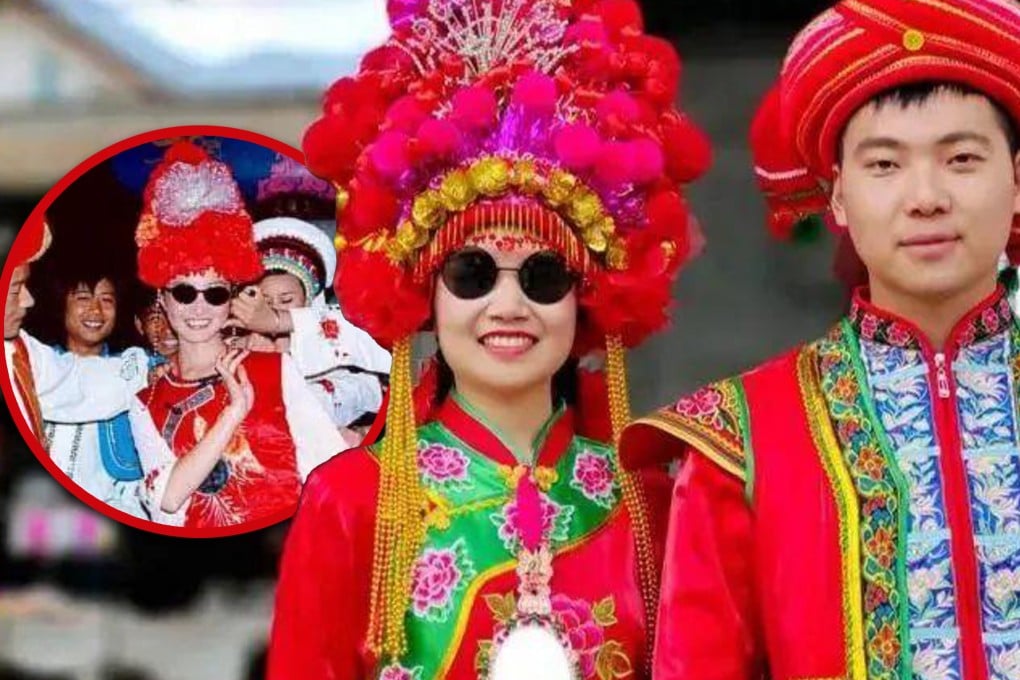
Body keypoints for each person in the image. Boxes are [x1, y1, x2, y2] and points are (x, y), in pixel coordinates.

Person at [267, 0, 712, 677]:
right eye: (472, 273)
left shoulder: (653, 501)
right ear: (425, 292)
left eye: (543, 275)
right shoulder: (352, 500)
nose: (508, 305)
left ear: (585, 296)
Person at [620, 1, 1020, 678]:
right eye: (885, 165)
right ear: (837, 199)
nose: (925, 196)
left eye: (960, 158)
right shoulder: (738, 441)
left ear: (1016, 181)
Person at [126, 140, 345, 529]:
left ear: (230, 300)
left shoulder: (275, 369)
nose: (197, 309)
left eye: (213, 293)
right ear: (163, 297)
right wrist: (234, 412)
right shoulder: (146, 401)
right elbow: (168, 501)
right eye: (183, 292)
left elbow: (331, 471)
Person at [232, 215, 390, 433]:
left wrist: (278, 324)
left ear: (308, 301)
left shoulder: (349, 364)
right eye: (266, 302)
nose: (275, 308)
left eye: (286, 300)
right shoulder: (240, 347)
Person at [3, 218, 147, 442]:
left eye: (107, 300)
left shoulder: (21, 351)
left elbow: (81, 384)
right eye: (15, 290)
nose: (28, 300)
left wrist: (158, 367)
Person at [36, 268, 145, 518]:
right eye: (83, 298)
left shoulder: (133, 372)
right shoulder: (36, 369)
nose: (96, 310)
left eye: (107, 300)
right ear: (61, 304)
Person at [133, 287, 178, 369]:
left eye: (176, 317)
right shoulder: (132, 368)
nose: (168, 330)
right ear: (139, 325)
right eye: (156, 319)